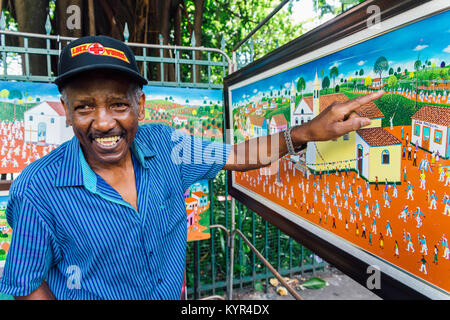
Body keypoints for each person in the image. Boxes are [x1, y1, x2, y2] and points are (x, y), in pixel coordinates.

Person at [0, 36, 383, 300]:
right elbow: (26, 283)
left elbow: (235, 154)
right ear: (67, 112)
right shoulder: (37, 189)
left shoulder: (164, 145)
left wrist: (306, 132)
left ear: (141, 107)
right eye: (85, 107)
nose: (103, 123)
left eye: (118, 105)